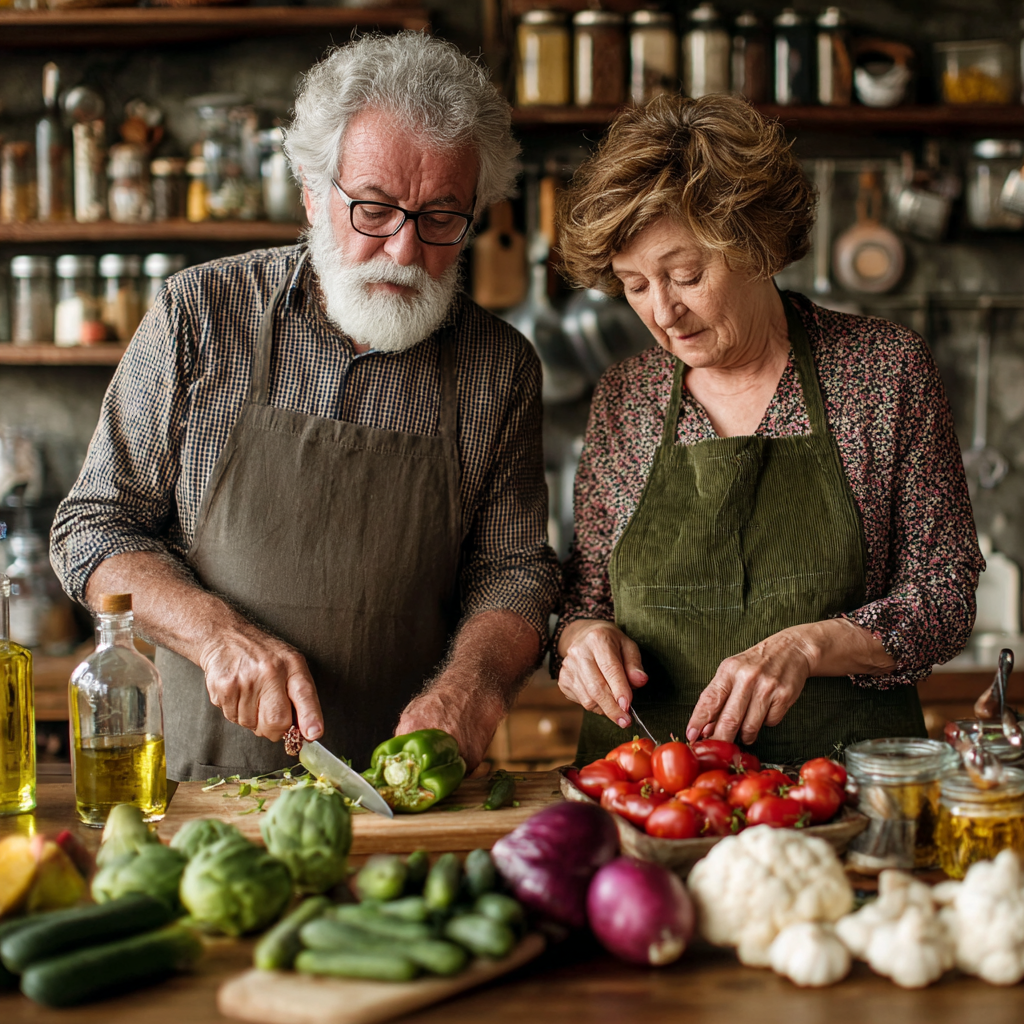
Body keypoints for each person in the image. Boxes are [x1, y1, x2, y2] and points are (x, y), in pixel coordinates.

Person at [50, 32, 560, 782]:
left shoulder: (499, 367)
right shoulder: (201, 315)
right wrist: (217, 635)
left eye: (441, 217)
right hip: (202, 793)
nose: (403, 252)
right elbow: (93, 527)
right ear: (312, 192)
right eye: (375, 210)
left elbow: (514, 570)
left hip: (407, 792)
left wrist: (472, 689)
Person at [553, 94, 983, 765]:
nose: (663, 312)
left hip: (843, 783)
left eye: (685, 275)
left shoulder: (882, 371)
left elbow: (946, 595)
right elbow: (585, 602)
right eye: (635, 285)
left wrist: (807, 647)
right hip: (652, 791)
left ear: (757, 245)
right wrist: (581, 643)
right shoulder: (625, 399)